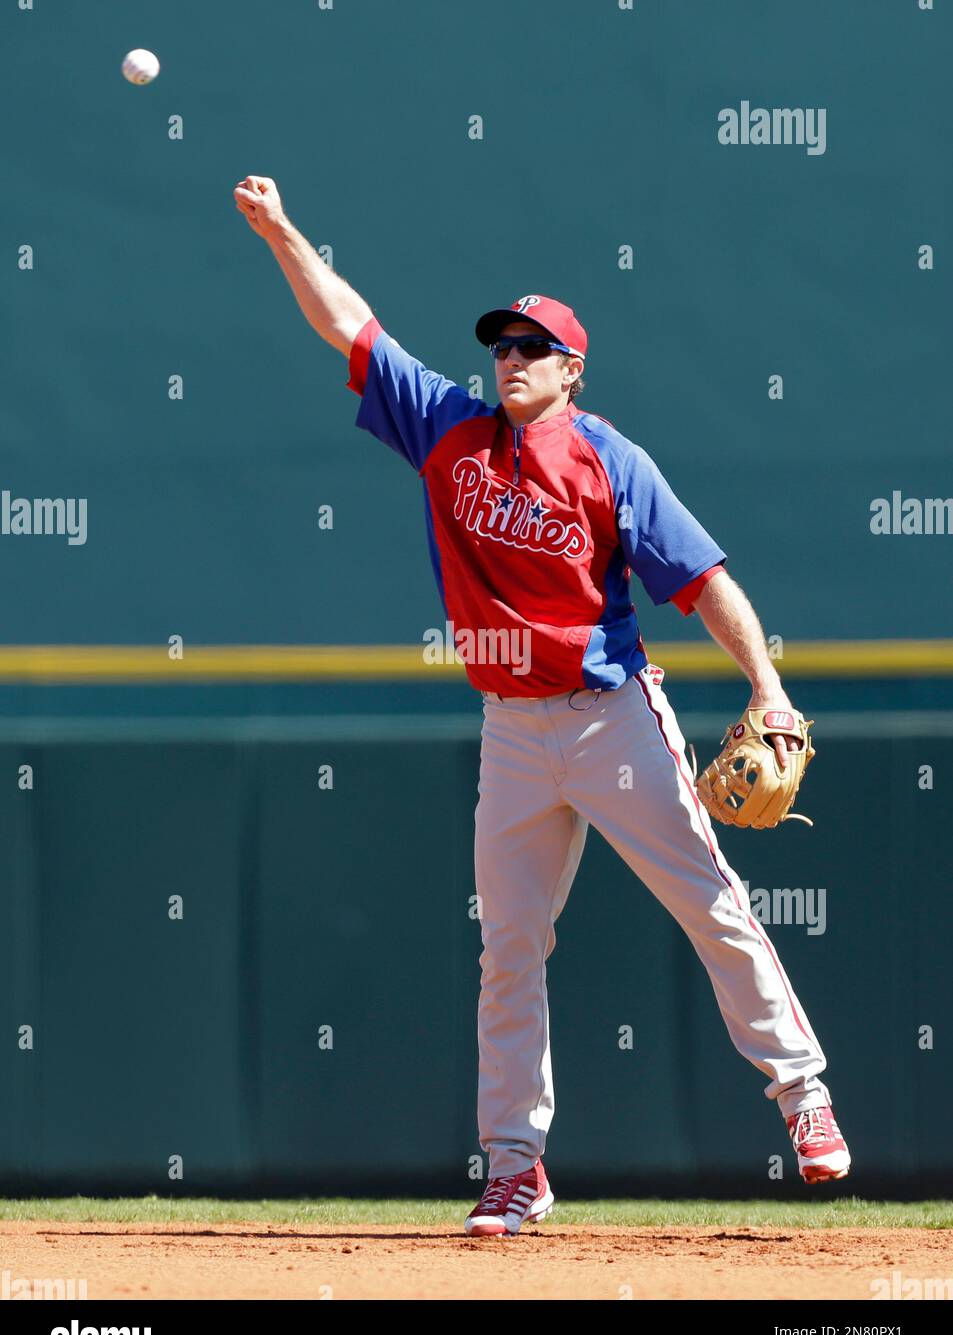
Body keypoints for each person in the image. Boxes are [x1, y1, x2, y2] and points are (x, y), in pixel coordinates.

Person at [234, 175, 851, 1237]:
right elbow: (349, 324)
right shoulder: (444, 427)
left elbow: (704, 583)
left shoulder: (610, 461)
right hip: (511, 731)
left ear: (570, 369)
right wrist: (284, 233)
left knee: (710, 903)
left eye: (532, 348)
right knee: (508, 948)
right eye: (501, 345)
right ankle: (515, 1165)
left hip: (611, 716)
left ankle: (802, 1097)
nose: (509, 360)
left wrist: (769, 685)